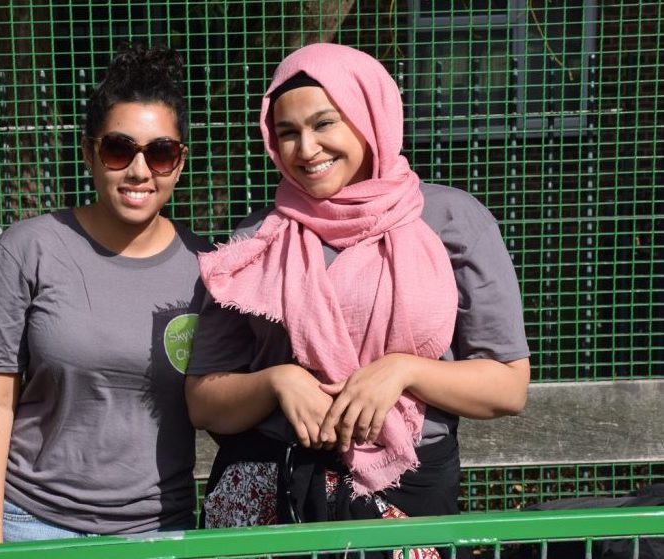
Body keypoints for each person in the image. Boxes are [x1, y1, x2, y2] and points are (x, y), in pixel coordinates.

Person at [185, 42, 531, 541]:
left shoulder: (450, 221)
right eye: (287, 133)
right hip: (265, 491)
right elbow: (203, 401)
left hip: (406, 493)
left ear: (370, 116)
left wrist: (404, 370)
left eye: (325, 123)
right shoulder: (257, 237)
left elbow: (508, 385)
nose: (305, 150)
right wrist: (277, 382)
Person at [0, 43, 210, 543]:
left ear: (179, 163)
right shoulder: (28, 250)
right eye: (120, 149)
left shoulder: (208, 269)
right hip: (36, 524)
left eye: (160, 152)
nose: (139, 171)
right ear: (90, 154)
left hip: (162, 531)